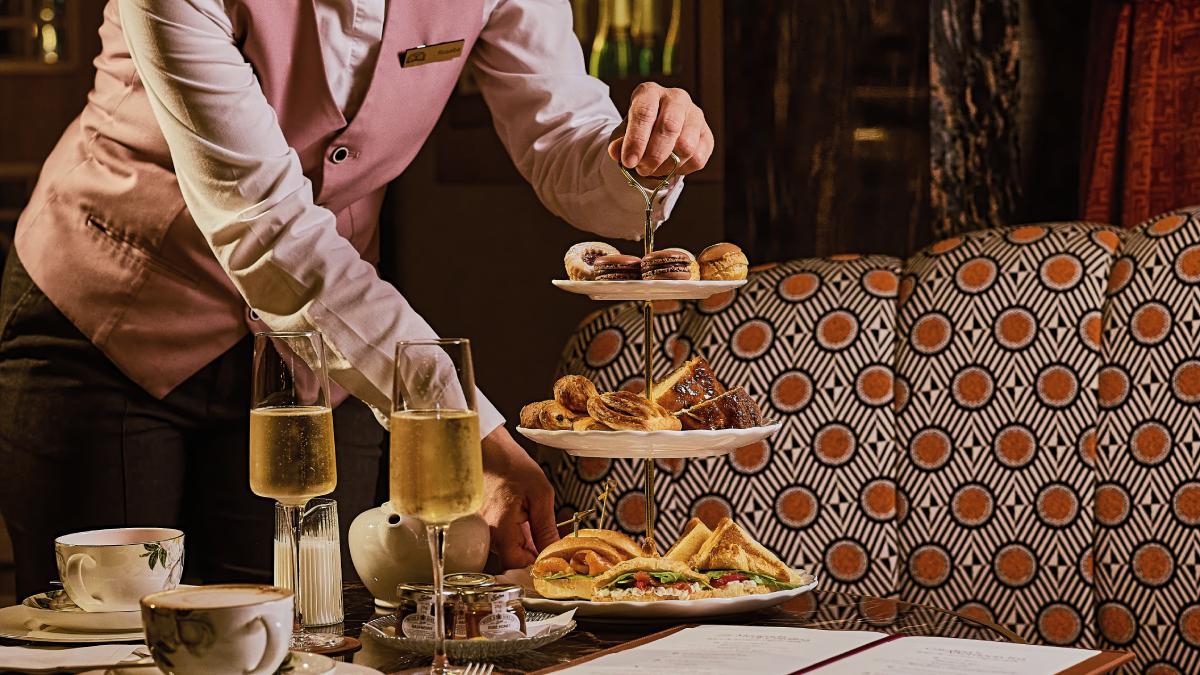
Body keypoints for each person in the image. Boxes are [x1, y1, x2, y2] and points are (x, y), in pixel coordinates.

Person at [0, 0, 712, 599]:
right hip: (113, 323)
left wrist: (643, 158)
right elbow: (267, 229)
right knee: (109, 640)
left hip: (327, 355)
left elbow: (560, 135)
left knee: (308, 636)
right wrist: (464, 431)